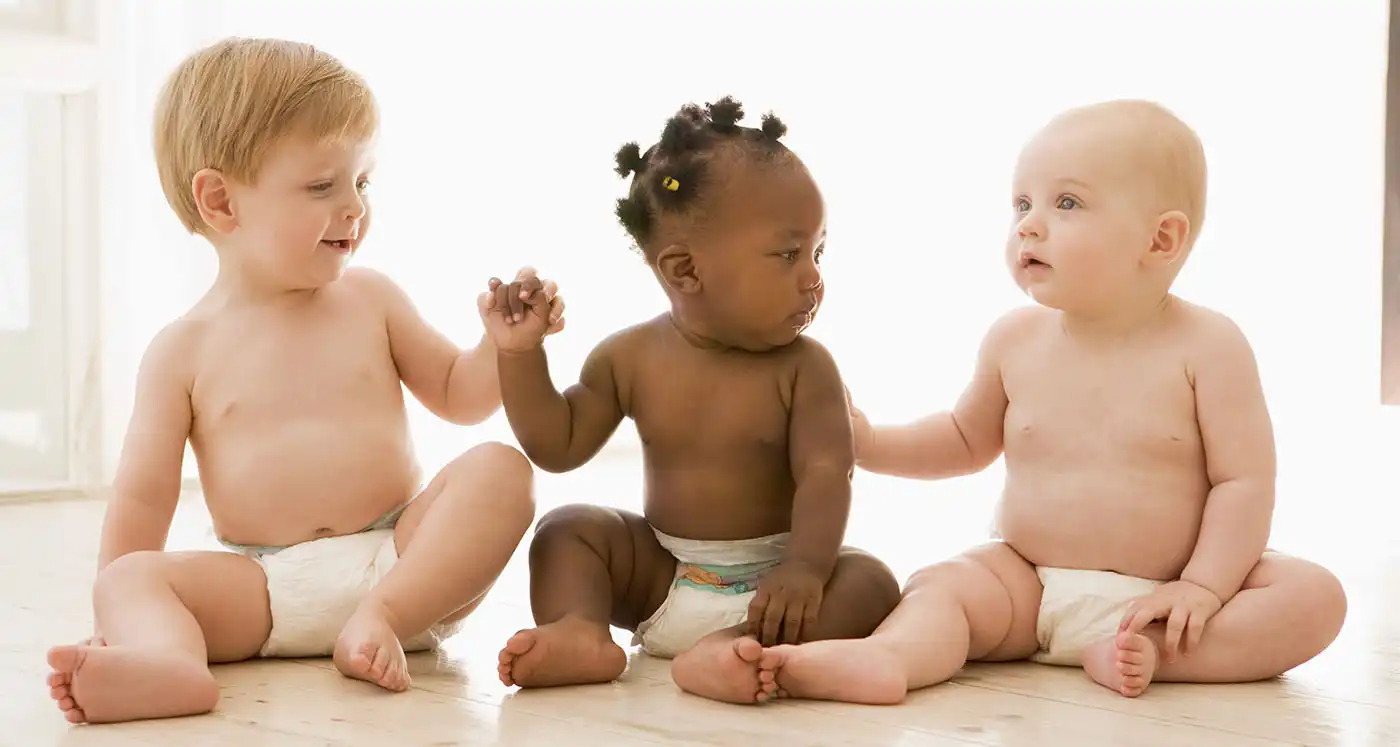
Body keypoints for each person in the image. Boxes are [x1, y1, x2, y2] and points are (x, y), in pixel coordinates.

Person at [756, 99, 1348, 703]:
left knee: (1312, 598)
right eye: (1021, 204)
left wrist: (1202, 587)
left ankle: (1148, 656)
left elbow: (1242, 483)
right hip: (1028, 585)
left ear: (1161, 239)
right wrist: (870, 441)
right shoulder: (1015, 339)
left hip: (1166, 595)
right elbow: (963, 439)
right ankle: (890, 660)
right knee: (947, 584)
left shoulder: (1210, 346)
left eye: (1066, 203)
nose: (1028, 226)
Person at [44, 37, 562, 724]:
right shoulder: (181, 351)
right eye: (323, 185)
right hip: (261, 586)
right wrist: (118, 611)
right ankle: (167, 663)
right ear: (221, 201)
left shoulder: (371, 299)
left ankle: (376, 621)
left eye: (362, 181)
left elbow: (460, 395)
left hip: (400, 564)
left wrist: (505, 348)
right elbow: (143, 498)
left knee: (501, 468)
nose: (355, 207)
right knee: (129, 576)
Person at [485, 97, 901, 705]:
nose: (812, 277)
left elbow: (824, 474)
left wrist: (806, 571)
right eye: (788, 255)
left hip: (776, 587)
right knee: (567, 530)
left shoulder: (807, 368)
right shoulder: (628, 357)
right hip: (664, 573)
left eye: (818, 252)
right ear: (684, 271)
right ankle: (578, 630)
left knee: (871, 582)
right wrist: (521, 356)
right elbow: (557, 445)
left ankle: (733, 649)